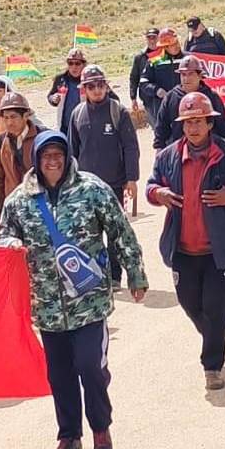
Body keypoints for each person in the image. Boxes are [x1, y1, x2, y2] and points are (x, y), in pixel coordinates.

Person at [0, 131, 148, 449]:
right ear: (36, 160)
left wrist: (135, 275)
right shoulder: (20, 200)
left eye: (58, 155)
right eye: (45, 156)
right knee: (60, 374)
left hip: (89, 303)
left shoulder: (91, 190)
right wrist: (10, 245)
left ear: (67, 157)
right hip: (48, 305)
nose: (52, 162)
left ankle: (100, 427)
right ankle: (69, 435)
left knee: (90, 367)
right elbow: (5, 234)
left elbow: (120, 231)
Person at [147, 92, 225, 390]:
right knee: (188, 303)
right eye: (188, 123)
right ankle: (215, 337)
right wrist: (158, 194)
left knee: (216, 306)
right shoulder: (169, 156)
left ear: (210, 123)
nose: (193, 128)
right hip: (182, 248)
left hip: (217, 250)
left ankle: (212, 366)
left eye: (199, 121)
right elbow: (151, 185)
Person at [68, 65, 141, 287]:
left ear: (106, 86)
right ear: (84, 89)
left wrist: (132, 179)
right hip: (85, 187)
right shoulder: (77, 114)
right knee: (89, 232)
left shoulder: (118, 111)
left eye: (101, 85)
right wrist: (69, 183)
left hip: (114, 184)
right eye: (91, 86)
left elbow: (131, 147)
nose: (97, 90)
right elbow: (72, 151)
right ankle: (97, 275)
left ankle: (116, 276)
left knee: (114, 231)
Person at [0, 92, 45, 226]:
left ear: (26, 116)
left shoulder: (43, 137)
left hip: (42, 206)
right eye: (5, 117)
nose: (9, 122)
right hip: (14, 208)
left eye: (13, 117)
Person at [153, 56, 225, 148]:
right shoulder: (171, 98)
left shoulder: (211, 97)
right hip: (180, 152)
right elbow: (162, 126)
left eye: (190, 74)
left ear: (200, 76)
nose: (186, 78)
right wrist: (159, 147)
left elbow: (223, 126)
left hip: (209, 151)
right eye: (183, 74)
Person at [139, 28, 184, 128]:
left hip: (186, 107)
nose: (177, 46)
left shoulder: (188, 59)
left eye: (177, 42)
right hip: (164, 108)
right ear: (165, 47)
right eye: (172, 45)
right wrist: (156, 90)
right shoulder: (155, 61)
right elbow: (143, 83)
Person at [48, 48, 87, 135]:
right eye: (70, 63)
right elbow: (50, 95)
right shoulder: (60, 79)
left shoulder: (89, 79)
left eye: (77, 63)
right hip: (65, 127)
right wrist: (53, 98)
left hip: (86, 127)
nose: (74, 67)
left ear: (84, 64)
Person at [128, 28, 161, 125]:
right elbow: (134, 78)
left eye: (154, 37)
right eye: (149, 38)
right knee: (156, 126)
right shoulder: (140, 57)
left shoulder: (165, 53)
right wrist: (133, 98)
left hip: (163, 95)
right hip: (148, 98)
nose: (152, 40)